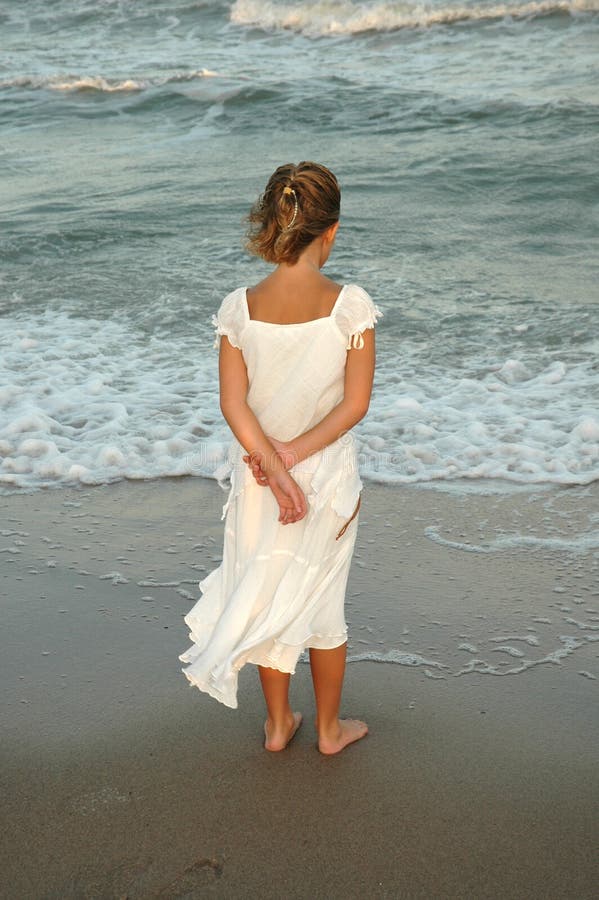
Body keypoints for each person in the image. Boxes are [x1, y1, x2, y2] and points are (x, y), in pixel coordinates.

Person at [179, 161, 381, 755]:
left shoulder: (238, 308)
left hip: (259, 481)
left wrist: (271, 464)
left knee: (266, 589)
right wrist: (293, 457)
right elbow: (356, 403)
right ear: (332, 231)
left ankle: (275, 725)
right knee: (325, 602)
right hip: (327, 478)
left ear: (272, 222)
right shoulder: (350, 306)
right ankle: (326, 730)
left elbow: (232, 403)